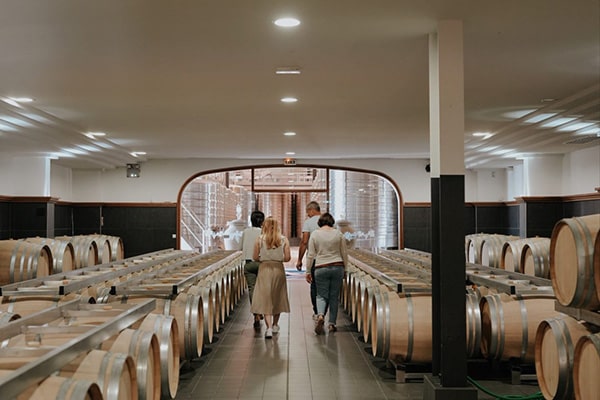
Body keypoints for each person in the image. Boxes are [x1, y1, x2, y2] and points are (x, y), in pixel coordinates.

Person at [305, 212, 348, 334]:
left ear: (320, 222)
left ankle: (320, 315)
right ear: (331, 222)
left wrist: (308, 271)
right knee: (334, 296)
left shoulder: (315, 234)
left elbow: (311, 255)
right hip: (337, 266)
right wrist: (346, 269)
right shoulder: (338, 234)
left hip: (321, 267)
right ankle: (332, 324)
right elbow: (344, 253)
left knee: (321, 295)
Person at [250, 216, 291, 338]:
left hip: (264, 269)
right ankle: (275, 324)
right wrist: (278, 258)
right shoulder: (283, 239)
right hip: (278, 269)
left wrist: (265, 258)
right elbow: (288, 258)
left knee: (266, 297)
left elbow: (255, 257)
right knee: (278, 296)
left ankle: (267, 328)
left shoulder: (259, 239)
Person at [295, 201, 321, 318]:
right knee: (327, 287)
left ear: (312, 210)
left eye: (308, 212)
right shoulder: (330, 221)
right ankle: (325, 313)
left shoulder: (308, 223)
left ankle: (317, 312)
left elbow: (304, 242)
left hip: (315, 259)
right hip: (329, 260)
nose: (308, 215)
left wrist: (299, 259)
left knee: (314, 285)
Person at [240, 210, 265, 329]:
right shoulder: (263, 233)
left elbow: (240, 248)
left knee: (252, 289)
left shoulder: (245, 232)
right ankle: (261, 310)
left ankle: (256, 313)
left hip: (249, 263)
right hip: (262, 263)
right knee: (263, 289)